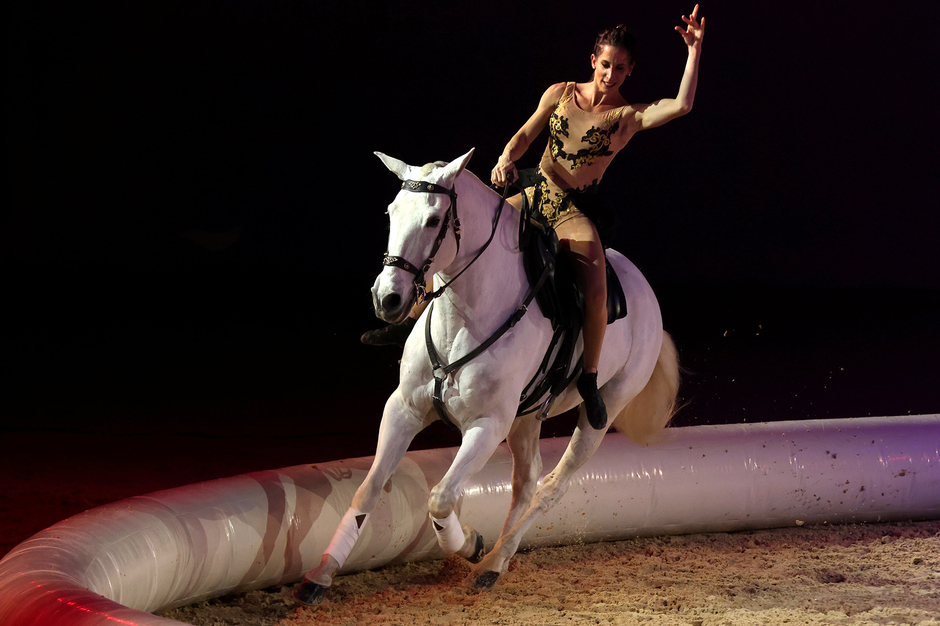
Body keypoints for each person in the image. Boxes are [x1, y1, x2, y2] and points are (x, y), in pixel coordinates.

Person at [490, 5, 704, 430]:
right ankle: (417, 311)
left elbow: (681, 105)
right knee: (474, 233)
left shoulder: (626, 118)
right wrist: (504, 158)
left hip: (573, 208)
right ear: (594, 61)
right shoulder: (560, 92)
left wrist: (693, 51)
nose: (611, 74)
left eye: (621, 68)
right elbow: (525, 134)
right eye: (606, 64)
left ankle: (588, 379)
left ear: (630, 71)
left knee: (597, 290)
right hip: (535, 192)